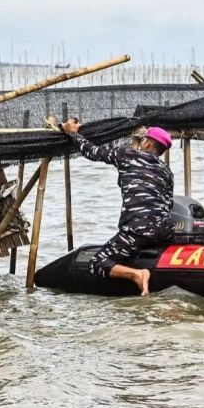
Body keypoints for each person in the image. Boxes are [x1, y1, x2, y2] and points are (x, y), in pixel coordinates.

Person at [62, 121, 174, 295]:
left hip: (137, 230)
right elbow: (168, 205)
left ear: (148, 143)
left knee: (98, 263)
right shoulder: (167, 172)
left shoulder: (127, 155)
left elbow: (92, 152)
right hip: (163, 231)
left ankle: (137, 274)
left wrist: (73, 134)